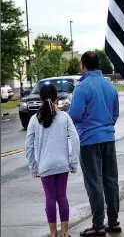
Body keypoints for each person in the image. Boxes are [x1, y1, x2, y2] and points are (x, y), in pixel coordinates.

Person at [69, 51, 121, 237]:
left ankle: (98, 224)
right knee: (111, 180)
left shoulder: (82, 87)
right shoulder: (109, 86)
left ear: (83, 66)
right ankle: (113, 222)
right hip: (108, 137)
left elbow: (74, 115)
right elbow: (115, 113)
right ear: (98, 65)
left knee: (94, 182)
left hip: (89, 140)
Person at [25, 83, 80, 237]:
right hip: (62, 164)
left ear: (40, 99)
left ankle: (53, 233)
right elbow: (75, 139)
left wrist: (33, 166)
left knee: (50, 197)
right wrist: (73, 161)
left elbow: (28, 146)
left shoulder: (34, 120)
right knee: (62, 196)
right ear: (56, 98)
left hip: (45, 166)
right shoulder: (64, 117)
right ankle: (65, 232)